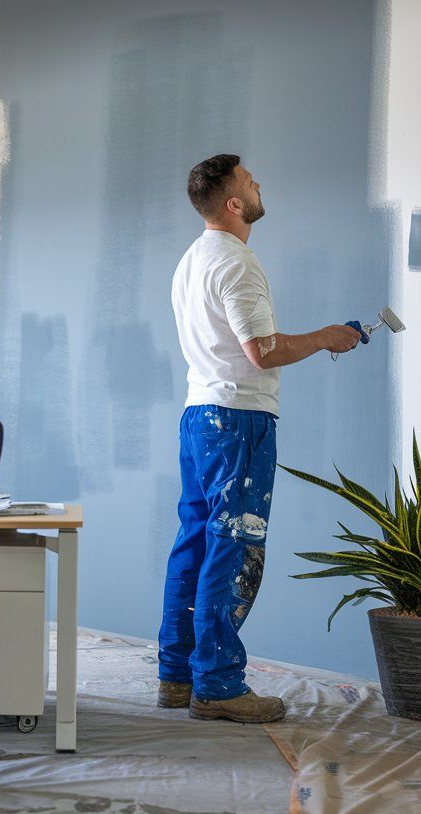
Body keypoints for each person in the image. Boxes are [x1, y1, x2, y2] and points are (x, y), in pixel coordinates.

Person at [157, 154, 361, 723]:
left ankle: (176, 675)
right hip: (237, 421)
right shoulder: (237, 262)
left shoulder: (191, 260)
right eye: (249, 181)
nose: (258, 184)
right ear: (232, 202)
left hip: (200, 415)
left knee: (194, 542)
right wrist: (324, 336)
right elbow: (262, 351)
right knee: (234, 546)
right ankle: (219, 686)